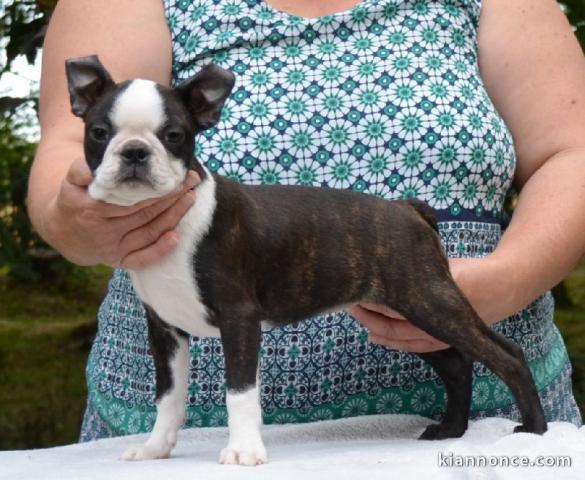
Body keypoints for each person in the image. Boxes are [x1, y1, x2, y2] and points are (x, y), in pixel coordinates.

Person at [29, 0, 585, 440]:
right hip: (174, 442)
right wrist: (74, 218)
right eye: (106, 134)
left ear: (201, 114)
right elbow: (61, 157)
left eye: (169, 136)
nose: (133, 151)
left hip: (465, 413)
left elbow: (572, 150)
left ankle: (527, 420)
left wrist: (510, 277)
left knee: (459, 335)